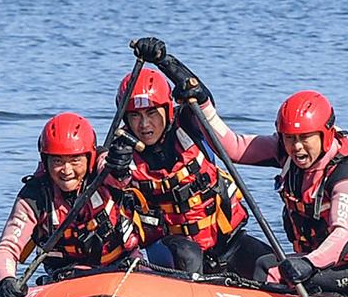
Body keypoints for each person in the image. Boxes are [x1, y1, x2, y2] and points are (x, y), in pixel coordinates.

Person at [133, 39, 348, 297]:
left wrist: (307, 264)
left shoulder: (346, 173)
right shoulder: (286, 151)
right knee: (265, 266)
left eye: (305, 138)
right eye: (290, 138)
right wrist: (199, 100)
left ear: (325, 134)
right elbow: (233, 147)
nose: (297, 148)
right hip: (319, 259)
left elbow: (342, 234)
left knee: (276, 274)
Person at [115, 43, 272, 278]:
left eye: (151, 113)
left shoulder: (190, 125)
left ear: (167, 110)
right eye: (135, 115)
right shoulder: (121, 152)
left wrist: (164, 60)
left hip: (225, 240)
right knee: (190, 255)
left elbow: (200, 95)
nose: (144, 125)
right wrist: (111, 169)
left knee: (270, 266)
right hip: (170, 249)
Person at [0, 112, 148, 297]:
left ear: (88, 159)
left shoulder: (103, 170)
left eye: (75, 160)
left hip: (122, 267)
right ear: (45, 160)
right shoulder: (35, 196)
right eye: (57, 161)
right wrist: (6, 280)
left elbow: (118, 175)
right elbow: (8, 247)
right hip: (68, 278)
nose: (66, 170)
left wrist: (119, 165)